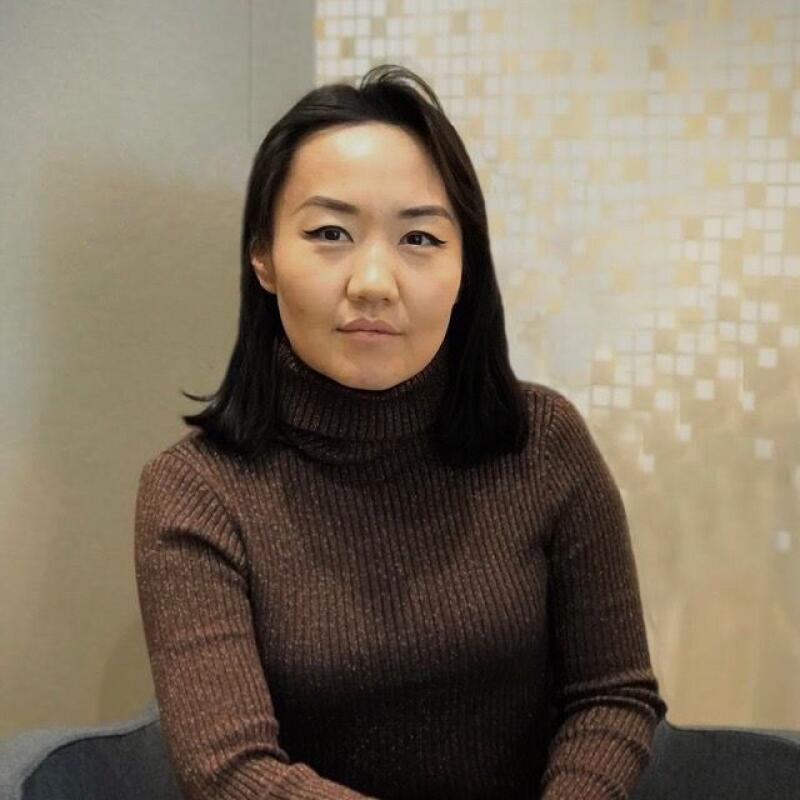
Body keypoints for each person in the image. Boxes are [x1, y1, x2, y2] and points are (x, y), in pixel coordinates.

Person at [133, 63, 668, 800]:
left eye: (419, 238)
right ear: (263, 256)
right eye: (330, 233)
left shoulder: (544, 442)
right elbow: (230, 770)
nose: (375, 282)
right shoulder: (196, 489)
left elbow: (612, 694)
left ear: (465, 265)